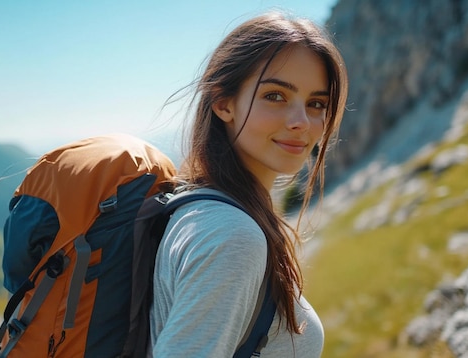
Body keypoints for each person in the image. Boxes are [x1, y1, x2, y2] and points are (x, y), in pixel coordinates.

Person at [149, 11, 348, 357]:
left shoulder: (199, 208)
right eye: (275, 96)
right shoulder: (232, 235)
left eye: (317, 103)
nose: (302, 121)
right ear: (223, 103)